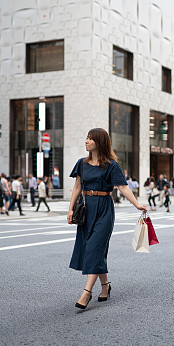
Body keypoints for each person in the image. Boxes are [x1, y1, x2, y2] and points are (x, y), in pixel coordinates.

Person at [67, 128, 147, 310]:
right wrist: (70, 209)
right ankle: (105, 286)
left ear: (99, 142)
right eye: (86, 138)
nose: (86, 141)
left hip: (104, 209)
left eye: (90, 139)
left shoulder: (111, 165)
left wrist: (137, 204)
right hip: (87, 209)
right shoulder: (82, 163)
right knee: (95, 249)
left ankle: (87, 292)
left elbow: (123, 187)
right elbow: (77, 187)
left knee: (95, 248)